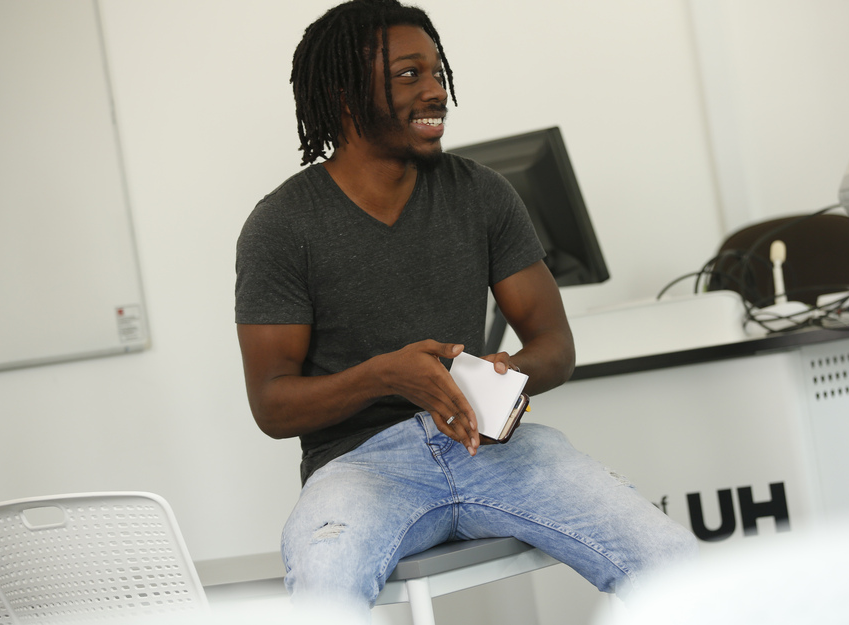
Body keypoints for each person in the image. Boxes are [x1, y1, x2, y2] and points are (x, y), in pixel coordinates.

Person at [235, 0, 698, 618]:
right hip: (361, 467)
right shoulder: (282, 224)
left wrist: (502, 376)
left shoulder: (481, 192)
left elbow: (554, 343)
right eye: (408, 75)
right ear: (345, 96)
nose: (435, 92)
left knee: (674, 564)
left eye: (437, 73)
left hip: (486, 444)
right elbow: (272, 403)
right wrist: (384, 375)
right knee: (324, 593)